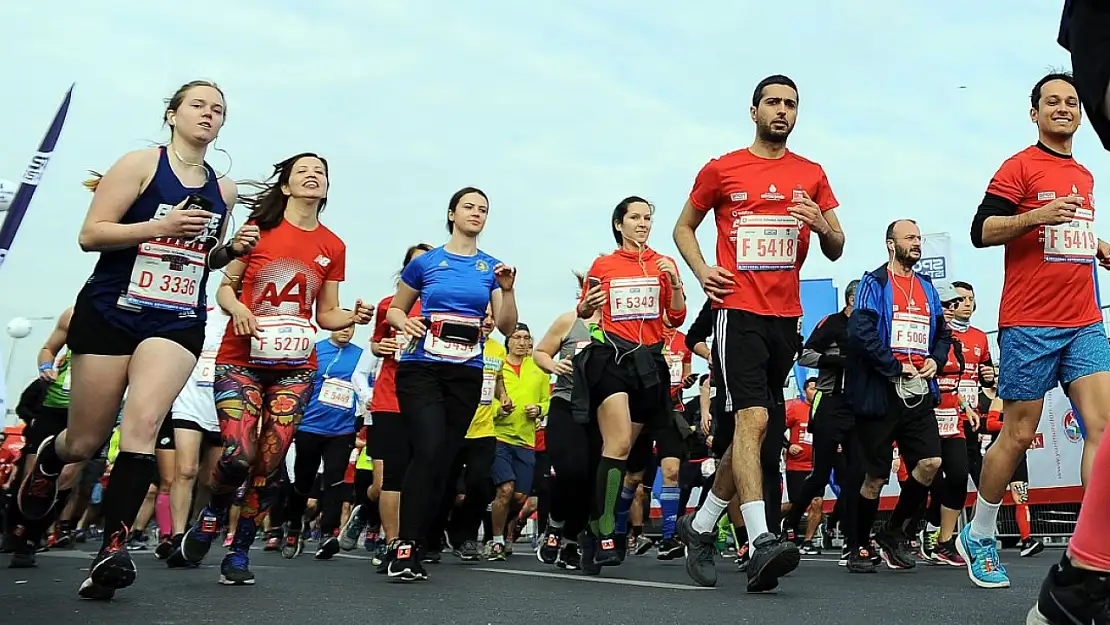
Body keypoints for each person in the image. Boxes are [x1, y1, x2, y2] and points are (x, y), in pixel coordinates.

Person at [17, 80, 257, 601]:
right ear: (172, 115)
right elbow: (92, 234)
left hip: (175, 318)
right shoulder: (140, 164)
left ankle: (114, 549)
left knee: (143, 425)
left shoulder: (225, 188)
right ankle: (51, 458)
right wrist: (159, 223)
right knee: (85, 440)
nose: (208, 115)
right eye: (197, 105)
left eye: (218, 110)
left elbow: (205, 253)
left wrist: (229, 249)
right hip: (112, 309)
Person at [672, 74, 845, 592]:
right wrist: (702, 270)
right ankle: (761, 538)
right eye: (773, 102)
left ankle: (699, 527)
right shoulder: (722, 169)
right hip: (737, 311)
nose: (782, 111)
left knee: (758, 429)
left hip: (784, 319)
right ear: (754, 111)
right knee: (750, 419)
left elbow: (837, 244)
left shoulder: (811, 173)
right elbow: (684, 226)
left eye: (791, 104)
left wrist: (821, 224)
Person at [180, 152, 371, 586]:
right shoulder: (258, 230)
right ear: (285, 185)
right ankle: (212, 512)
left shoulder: (332, 246)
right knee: (237, 457)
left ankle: (239, 551)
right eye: (302, 171)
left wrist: (353, 317)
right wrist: (240, 310)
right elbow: (225, 286)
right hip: (241, 360)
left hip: (295, 367)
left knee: (267, 465)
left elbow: (327, 315)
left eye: (320, 172)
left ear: (326, 188)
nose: (312, 176)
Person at [965, 72, 1110, 622]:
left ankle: (1095, 556)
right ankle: (979, 533)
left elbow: (1067, 233)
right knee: (1019, 432)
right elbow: (982, 229)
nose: (1064, 109)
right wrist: (1036, 215)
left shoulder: (1085, 174)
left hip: (1084, 320)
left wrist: (1096, 245)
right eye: (1053, 101)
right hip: (1029, 322)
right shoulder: (1019, 166)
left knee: (1104, 429)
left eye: (1072, 102)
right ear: (1035, 113)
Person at [385, 187, 518, 582]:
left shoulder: (492, 268)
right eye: (469, 207)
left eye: (483, 209)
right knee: (427, 450)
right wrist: (402, 321)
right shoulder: (427, 263)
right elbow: (396, 307)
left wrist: (507, 291)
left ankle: (423, 539)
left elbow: (508, 326)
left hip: (467, 371)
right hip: (422, 367)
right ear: (452, 213)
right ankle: (404, 545)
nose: (477, 214)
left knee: (444, 460)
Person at [574, 195, 686, 572]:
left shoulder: (662, 262)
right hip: (612, 358)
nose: (642, 223)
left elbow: (676, 316)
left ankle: (596, 523)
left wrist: (674, 285)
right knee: (618, 442)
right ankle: (605, 527)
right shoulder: (603, 264)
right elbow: (585, 310)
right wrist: (588, 304)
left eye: (647, 218)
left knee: (626, 454)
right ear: (619, 224)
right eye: (634, 217)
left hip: (649, 364)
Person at [843, 219, 949, 574]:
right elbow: (861, 332)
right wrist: (892, 365)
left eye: (919, 237)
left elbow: (943, 335)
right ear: (891, 244)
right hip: (881, 392)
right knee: (874, 477)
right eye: (910, 238)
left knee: (930, 463)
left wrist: (935, 359)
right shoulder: (874, 283)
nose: (917, 243)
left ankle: (892, 532)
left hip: (919, 392)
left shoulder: (927, 287)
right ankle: (858, 545)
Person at [356, 243, 433, 570]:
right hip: (390, 398)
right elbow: (375, 343)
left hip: (428, 399)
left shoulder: (444, 307)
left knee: (424, 473)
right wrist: (382, 345)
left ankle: (414, 537)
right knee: (389, 479)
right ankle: (392, 542)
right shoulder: (389, 306)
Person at [781, 280, 860, 563]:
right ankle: (789, 522)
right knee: (819, 475)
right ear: (852, 298)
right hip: (830, 402)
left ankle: (853, 540)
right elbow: (805, 356)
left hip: (859, 406)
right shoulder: (833, 322)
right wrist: (837, 360)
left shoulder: (873, 325)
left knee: (856, 475)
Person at [281, 326, 365, 561]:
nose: (346, 331)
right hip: (310, 426)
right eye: (342, 327)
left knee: (335, 479)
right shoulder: (314, 350)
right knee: (303, 480)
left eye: (351, 328)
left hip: (342, 429)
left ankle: (329, 533)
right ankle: (295, 527)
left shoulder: (360, 355)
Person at [533, 272, 597, 571]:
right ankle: (554, 524)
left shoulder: (620, 327)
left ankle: (571, 540)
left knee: (590, 478)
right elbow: (540, 352)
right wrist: (554, 363)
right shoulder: (569, 320)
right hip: (566, 403)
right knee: (570, 470)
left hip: (602, 411)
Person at [163, 307, 227, 568]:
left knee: (210, 479)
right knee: (185, 470)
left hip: (223, 406)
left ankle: (194, 529)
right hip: (189, 403)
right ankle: (177, 535)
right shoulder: (201, 315)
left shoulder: (250, 318)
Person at [487, 323, 549, 561]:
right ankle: (497, 541)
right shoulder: (498, 365)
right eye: (517, 337)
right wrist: (498, 410)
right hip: (499, 436)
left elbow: (548, 400)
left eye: (526, 337)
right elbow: (484, 395)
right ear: (508, 341)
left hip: (526, 439)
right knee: (505, 489)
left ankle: (501, 527)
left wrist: (540, 408)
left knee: (520, 497)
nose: (522, 342)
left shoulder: (539, 369)